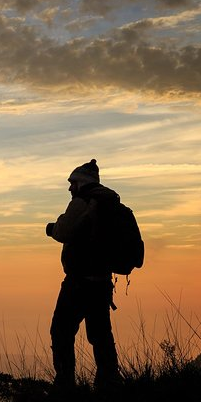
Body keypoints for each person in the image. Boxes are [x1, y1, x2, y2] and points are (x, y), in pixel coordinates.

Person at [46, 159, 121, 388]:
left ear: (81, 182)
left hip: (78, 283)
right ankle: (109, 383)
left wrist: (52, 227)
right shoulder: (110, 204)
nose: (70, 188)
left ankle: (65, 385)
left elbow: (64, 231)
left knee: (61, 332)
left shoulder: (82, 201)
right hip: (102, 282)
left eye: (72, 182)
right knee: (100, 336)